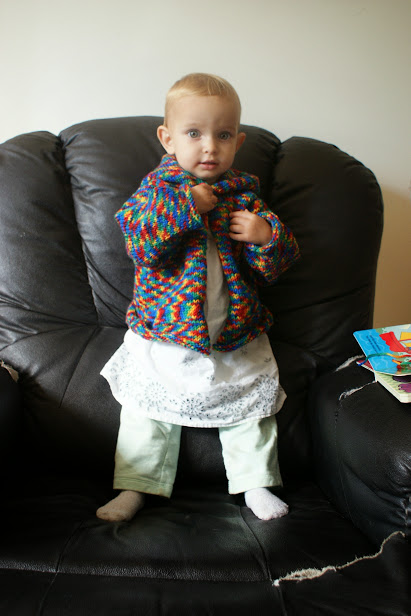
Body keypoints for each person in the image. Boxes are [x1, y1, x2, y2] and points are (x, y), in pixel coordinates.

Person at [96, 73, 300, 523]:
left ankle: (256, 484)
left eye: (223, 135)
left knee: (251, 414)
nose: (210, 147)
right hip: (165, 336)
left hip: (234, 335)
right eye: (194, 133)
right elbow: (140, 241)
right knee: (145, 416)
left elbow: (272, 269)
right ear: (167, 139)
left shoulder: (244, 196)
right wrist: (188, 205)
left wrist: (266, 237)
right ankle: (135, 487)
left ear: (238, 141)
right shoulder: (158, 190)